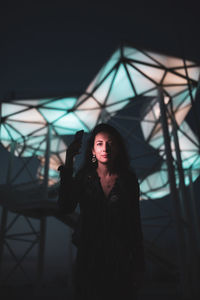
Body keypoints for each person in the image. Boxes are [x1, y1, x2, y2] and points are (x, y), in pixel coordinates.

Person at [58, 123, 145, 300]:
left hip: (120, 261)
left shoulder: (128, 180)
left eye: (110, 143)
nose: (105, 148)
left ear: (119, 148)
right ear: (92, 150)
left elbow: (134, 222)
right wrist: (68, 161)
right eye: (99, 143)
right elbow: (65, 206)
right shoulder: (84, 178)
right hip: (88, 260)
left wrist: (139, 264)